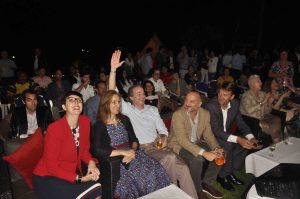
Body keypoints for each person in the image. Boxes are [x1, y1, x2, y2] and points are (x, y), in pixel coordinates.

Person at [108, 50, 198, 199]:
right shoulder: (128, 110)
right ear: (130, 98)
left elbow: (162, 128)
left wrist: (163, 137)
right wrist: (112, 70)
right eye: (138, 94)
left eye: (143, 93)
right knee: (170, 158)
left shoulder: (152, 109)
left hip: (159, 146)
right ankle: (171, 194)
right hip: (143, 150)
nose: (142, 95)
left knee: (183, 168)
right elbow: (112, 92)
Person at [91, 90, 171, 198]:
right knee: (145, 176)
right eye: (113, 102)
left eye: (118, 102)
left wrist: (132, 152)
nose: (117, 105)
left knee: (156, 169)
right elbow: (97, 150)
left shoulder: (124, 119)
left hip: (133, 154)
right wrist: (124, 153)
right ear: (106, 104)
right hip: (117, 157)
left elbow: (134, 140)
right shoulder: (99, 125)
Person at [33, 91, 102, 199]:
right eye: (71, 100)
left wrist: (91, 162)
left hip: (68, 174)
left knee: (97, 188)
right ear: (64, 107)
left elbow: (84, 150)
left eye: (79, 100)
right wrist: (80, 179)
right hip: (48, 177)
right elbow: (52, 167)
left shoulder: (85, 122)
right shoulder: (54, 129)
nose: (76, 102)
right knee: (93, 190)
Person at [204, 81, 262, 192]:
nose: (221, 97)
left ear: (232, 96)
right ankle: (222, 176)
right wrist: (238, 139)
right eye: (220, 93)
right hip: (210, 137)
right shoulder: (211, 106)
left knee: (246, 143)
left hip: (224, 135)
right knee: (229, 143)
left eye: (225, 95)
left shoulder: (235, 104)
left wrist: (251, 138)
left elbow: (241, 123)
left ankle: (230, 172)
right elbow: (216, 131)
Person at [167, 91, 224, 199]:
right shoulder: (178, 115)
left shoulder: (205, 114)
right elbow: (183, 140)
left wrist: (216, 148)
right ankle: (197, 189)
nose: (187, 103)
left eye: (192, 101)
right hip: (178, 145)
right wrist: (204, 153)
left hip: (196, 143)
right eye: (186, 100)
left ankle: (207, 183)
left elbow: (208, 135)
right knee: (197, 159)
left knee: (221, 152)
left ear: (199, 104)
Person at [240, 75, 282, 143]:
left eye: (260, 81)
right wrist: (263, 102)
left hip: (262, 117)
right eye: (258, 81)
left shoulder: (262, 94)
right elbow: (248, 110)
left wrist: (269, 103)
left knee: (277, 119)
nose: (261, 83)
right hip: (252, 120)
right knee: (273, 128)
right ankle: (275, 143)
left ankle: (276, 143)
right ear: (252, 84)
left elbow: (267, 111)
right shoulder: (246, 96)